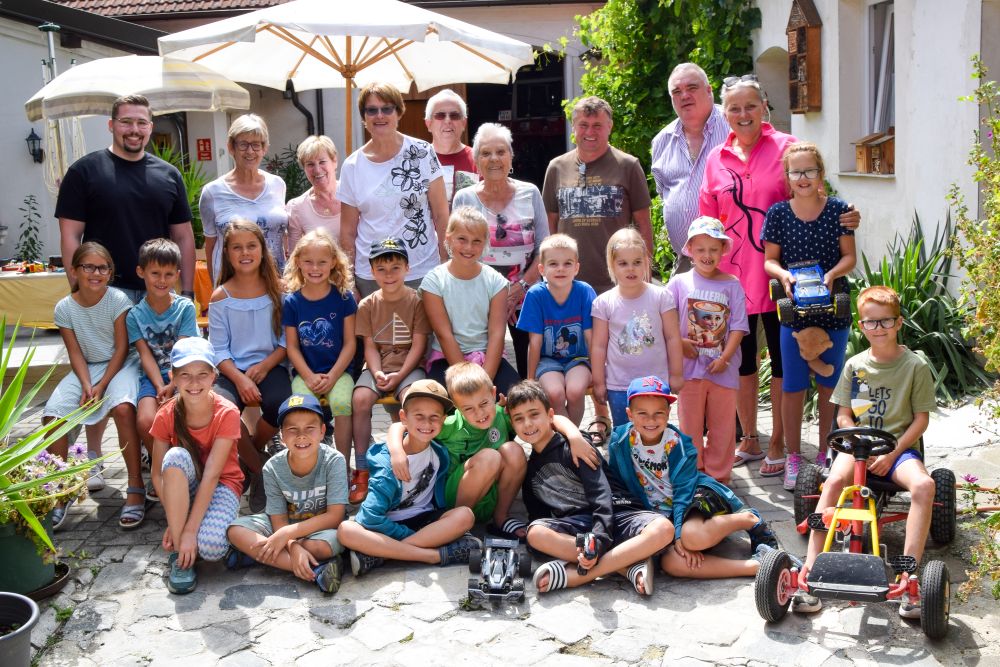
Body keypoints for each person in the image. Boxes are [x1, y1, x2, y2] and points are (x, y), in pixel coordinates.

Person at [699, 75, 861, 480]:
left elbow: (820, 194)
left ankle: (779, 444)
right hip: (732, 276)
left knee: (784, 360)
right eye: (734, 108)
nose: (742, 114)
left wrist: (849, 216)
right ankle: (750, 436)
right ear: (725, 113)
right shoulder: (716, 157)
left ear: (764, 106)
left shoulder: (787, 147)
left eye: (750, 105)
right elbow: (707, 217)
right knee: (741, 358)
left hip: (783, 281)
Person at [795, 286, 937, 617]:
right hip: (859, 447)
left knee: (925, 486)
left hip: (897, 450)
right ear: (862, 326)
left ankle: (908, 575)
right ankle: (811, 571)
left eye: (886, 321)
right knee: (830, 483)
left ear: (898, 322)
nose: (879, 328)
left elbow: (920, 420)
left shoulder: (914, 366)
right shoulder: (856, 367)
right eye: (871, 323)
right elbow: (844, 414)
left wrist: (892, 452)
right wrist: (857, 440)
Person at [385, 362, 600, 537]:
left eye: (484, 403)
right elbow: (400, 426)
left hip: (490, 496)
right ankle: (455, 526)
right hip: (455, 500)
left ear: (494, 393)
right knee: (490, 457)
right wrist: (396, 451)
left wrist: (574, 436)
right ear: (457, 408)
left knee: (514, 450)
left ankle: (500, 518)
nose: (480, 413)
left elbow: (550, 419)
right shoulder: (448, 426)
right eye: (468, 409)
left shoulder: (500, 414)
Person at [605, 376, 779, 581]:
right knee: (672, 564)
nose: (651, 420)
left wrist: (678, 535)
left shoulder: (679, 445)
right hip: (658, 517)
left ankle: (748, 519)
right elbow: (617, 486)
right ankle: (756, 567)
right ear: (629, 414)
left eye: (658, 413)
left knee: (691, 539)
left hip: (692, 499)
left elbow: (683, 492)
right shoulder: (620, 442)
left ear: (668, 413)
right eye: (642, 413)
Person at [509, 380, 674, 595]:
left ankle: (579, 576)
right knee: (536, 533)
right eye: (519, 419)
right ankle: (626, 566)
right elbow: (538, 517)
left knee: (663, 529)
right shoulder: (531, 471)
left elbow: (601, 494)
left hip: (616, 511)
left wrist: (600, 539)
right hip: (580, 529)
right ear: (512, 425)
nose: (528, 424)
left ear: (550, 416)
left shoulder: (576, 446)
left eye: (534, 415)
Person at [762, 142, 857, 489]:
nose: (803, 178)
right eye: (796, 172)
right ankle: (792, 456)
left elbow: (850, 257)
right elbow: (769, 260)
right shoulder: (778, 214)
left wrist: (831, 275)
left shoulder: (838, 210)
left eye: (809, 171)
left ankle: (824, 452)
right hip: (795, 309)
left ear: (820, 174)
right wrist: (783, 275)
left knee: (830, 382)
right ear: (787, 177)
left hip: (833, 305)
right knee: (793, 384)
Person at [56, 94, 195, 303]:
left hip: (158, 291)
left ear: (150, 127)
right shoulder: (83, 172)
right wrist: (79, 290)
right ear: (111, 125)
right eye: (126, 122)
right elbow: (70, 236)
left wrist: (187, 292)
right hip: (104, 291)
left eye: (141, 123)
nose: (134, 130)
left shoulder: (170, 175)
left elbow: (183, 237)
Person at [42, 242, 142, 530]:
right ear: (74, 271)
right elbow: (74, 352)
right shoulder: (65, 308)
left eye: (102, 267)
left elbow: (123, 348)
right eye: (88, 267)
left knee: (123, 409)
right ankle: (63, 490)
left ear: (110, 273)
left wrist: (102, 386)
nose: (95, 273)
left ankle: (134, 489)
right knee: (53, 414)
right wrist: (87, 384)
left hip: (120, 364)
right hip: (87, 367)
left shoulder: (117, 299)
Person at [339, 380, 481, 577]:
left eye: (434, 417)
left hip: (424, 520)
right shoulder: (387, 465)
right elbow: (370, 518)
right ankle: (433, 556)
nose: (427, 424)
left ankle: (382, 554)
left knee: (465, 515)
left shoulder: (439, 452)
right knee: (346, 530)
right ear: (404, 417)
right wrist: (410, 537)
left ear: (443, 420)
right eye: (419, 417)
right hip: (386, 526)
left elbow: (396, 427)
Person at [226, 394, 348, 594]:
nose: (302, 436)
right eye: (292, 430)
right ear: (281, 436)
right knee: (235, 531)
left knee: (323, 546)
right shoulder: (273, 467)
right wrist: (293, 546)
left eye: (310, 428)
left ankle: (260, 556)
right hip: (282, 525)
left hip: (320, 528)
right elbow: (278, 519)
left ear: (322, 431)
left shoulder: (334, 461)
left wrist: (287, 536)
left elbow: (334, 516)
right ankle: (317, 570)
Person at [149, 337, 243, 595]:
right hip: (185, 486)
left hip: (222, 485)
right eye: (185, 375)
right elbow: (158, 474)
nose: (194, 383)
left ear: (214, 376)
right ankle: (182, 558)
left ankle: (196, 536)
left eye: (202, 374)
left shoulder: (228, 412)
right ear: (173, 377)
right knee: (175, 456)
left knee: (211, 546)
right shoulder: (166, 414)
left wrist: (189, 529)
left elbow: (213, 474)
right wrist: (174, 519)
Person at [453, 122, 549, 377]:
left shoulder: (530, 193)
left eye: (500, 151)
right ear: (475, 160)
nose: (494, 159)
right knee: (482, 367)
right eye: (485, 153)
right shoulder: (465, 198)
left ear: (511, 156)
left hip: (525, 295)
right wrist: (493, 295)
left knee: (531, 367)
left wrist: (521, 287)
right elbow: (458, 250)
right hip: (478, 296)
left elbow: (544, 248)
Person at [208, 219, 290, 512]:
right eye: (237, 247)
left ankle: (250, 452)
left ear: (262, 249)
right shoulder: (221, 296)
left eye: (251, 245)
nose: (245, 252)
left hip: (271, 366)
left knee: (281, 403)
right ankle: (259, 470)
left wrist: (266, 366)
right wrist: (239, 379)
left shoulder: (279, 291)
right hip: (232, 370)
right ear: (227, 253)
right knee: (221, 408)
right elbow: (217, 349)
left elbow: (285, 340)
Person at [339, 82, 449, 298]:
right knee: (377, 333)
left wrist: (447, 264)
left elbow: (441, 215)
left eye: (387, 108)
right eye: (372, 110)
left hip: (421, 270)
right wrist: (349, 281)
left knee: (422, 332)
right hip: (372, 275)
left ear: (399, 112)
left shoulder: (423, 152)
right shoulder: (352, 166)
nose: (379, 115)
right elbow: (347, 232)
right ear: (364, 117)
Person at [665, 217, 748, 484]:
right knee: (689, 426)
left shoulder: (731, 284)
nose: (707, 255)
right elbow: (665, 320)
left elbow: (738, 326)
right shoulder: (679, 283)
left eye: (713, 249)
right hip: (689, 370)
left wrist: (725, 357)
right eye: (700, 249)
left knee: (722, 427)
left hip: (722, 368)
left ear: (723, 250)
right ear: (690, 250)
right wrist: (679, 343)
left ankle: (718, 476)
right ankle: (693, 474)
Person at [542, 96, 652, 296]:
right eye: (583, 125)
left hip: (617, 285)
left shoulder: (628, 166)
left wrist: (644, 277)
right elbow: (550, 224)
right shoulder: (556, 167)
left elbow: (644, 224)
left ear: (610, 126)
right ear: (573, 126)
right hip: (568, 285)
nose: (590, 132)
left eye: (597, 125)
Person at [351, 238, 431, 504]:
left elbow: (419, 345)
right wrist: (376, 374)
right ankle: (361, 467)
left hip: (409, 366)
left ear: (407, 268)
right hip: (379, 367)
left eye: (395, 267)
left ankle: (414, 460)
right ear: (372, 272)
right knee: (360, 399)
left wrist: (400, 376)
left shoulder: (417, 301)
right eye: (382, 269)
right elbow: (370, 347)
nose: (389, 275)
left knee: (413, 398)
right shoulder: (367, 305)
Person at [419, 206, 519, 395]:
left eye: (476, 241)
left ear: (485, 244)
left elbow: (497, 334)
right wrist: (466, 380)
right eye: (462, 239)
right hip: (446, 359)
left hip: (488, 358)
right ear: (448, 238)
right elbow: (444, 334)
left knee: (517, 399)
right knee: (436, 402)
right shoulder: (434, 282)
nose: (468, 247)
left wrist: (485, 380)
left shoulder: (495, 281)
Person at [282, 230, 357, 478]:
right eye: (308, 262)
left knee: (341, 403)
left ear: (333, 262)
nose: (315, 268)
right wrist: (309, 376)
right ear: (298, 263)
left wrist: (333, 376)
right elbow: (292, 347)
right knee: (303, 409)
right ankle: (309, 463)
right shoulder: (292, 302)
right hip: (306, 373)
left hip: (339, 371)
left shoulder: (344, 298)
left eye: (322, 262)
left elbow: (349, 344)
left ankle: (342, 466)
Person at [127, 239, 199, 499]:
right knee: (146, 419)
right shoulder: (134, 315)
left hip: (185, 374)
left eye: (169, 274)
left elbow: (182, 350)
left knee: (182, 416)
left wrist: (173, 384)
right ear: (141, 272)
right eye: (155, 273)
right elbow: (144, 354)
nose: (161, 280)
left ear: (177, 275)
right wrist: (159, 385)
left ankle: (189, 471)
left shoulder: (184, 308)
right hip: (154, 378)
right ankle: (162, 470)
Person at [591, 228, 684, 427]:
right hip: (619, 385)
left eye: (637, 262)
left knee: (655, 430)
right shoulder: (603, 303)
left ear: (646, 263)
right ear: (612, 265)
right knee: (624, 434)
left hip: (656, 384)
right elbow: (599, 345)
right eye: (623, 263)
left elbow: (672, 337)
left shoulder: (661, 297)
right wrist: (599, 382)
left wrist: (676, 374)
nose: (630, 269)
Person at [651, 63, 730, 274]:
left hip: (733, 260)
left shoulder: (733, 125)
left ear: (709, 90)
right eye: (677, 91)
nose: (684, 95)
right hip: (687, 264)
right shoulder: (662, 141)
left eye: (692, 88)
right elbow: (664, 194)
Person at [516, 234, 597, 425]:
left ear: (576, 267)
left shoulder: (584, 291)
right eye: (553, 264)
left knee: (576, 391)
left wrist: (597, 372)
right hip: (547, 360)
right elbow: (534, 342)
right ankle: (570, 441)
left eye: (567, 263)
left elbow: (590, 336)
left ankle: (570, 439)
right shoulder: (536, 295)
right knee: (555, 393)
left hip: (578, 359)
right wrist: (530, 380)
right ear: (542, 269)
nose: (561, 268)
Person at [201, 114, 289, 283]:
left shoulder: (278, 185)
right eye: (243, 144)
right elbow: (211, 246)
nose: (250, 151)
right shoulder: (212, 192)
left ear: (265, 148)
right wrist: (216, 288)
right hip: (233, 284)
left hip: (276, 282)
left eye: (256, 145)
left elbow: (283, 234)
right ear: (231, 147)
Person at [286, 135, 342, 251]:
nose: (317, 170)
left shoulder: (353, 194)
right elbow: (294, 256)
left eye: (322, 162)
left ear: (334, 162)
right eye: (310, 164)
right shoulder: (297, 207)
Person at [425, 88, 478, 205]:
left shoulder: (479, 160)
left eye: (454, 115)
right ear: (428, 124)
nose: (448, 120)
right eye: (440, 115)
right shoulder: (417, 161)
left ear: (464, 123)